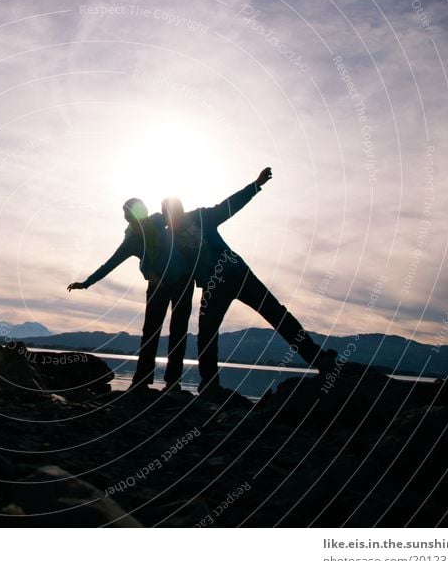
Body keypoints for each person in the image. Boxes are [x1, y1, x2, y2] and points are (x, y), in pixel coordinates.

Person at [162, 167, 335, 398]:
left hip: (237, 273)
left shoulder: (200, 217)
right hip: (216, 285)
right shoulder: (169, 239)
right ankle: (210, 383)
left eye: (175, 211)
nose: (174, 216)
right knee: (207, 332)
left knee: (275, 314)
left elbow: (228, 206)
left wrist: (256, 185)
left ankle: (319, 359)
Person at [68, 198, 194, 392]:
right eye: (127, 213)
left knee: (178, 331)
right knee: (151, 331)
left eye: (131, 211)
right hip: (157, 285)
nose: (129, 216)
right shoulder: (132, 240)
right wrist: (86, 283)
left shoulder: (159, 220)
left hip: (183, 280)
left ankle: (172, 382)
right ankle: (142, 379)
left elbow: (179, 220)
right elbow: (110, 264)